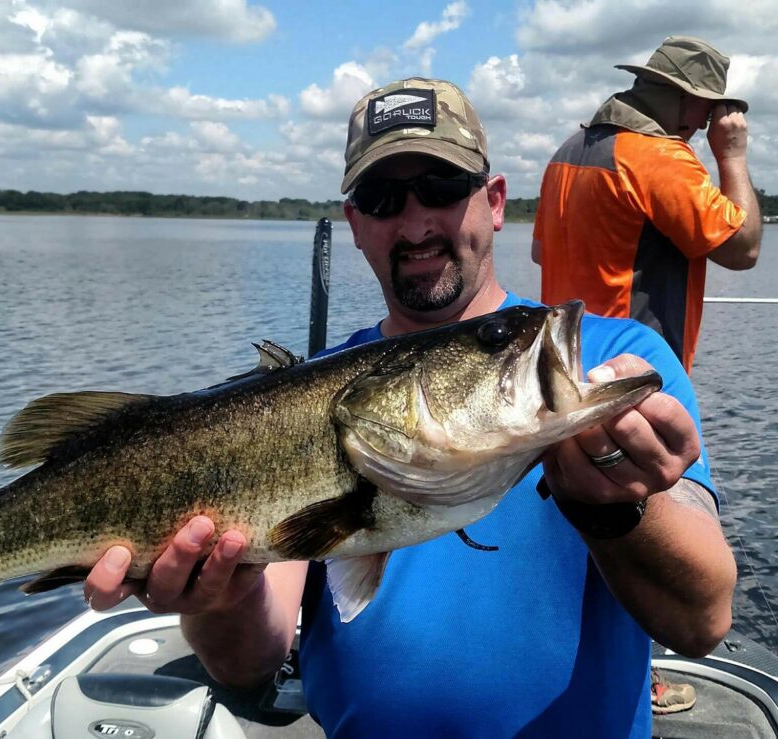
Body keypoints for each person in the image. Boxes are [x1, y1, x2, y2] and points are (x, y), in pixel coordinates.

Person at [83, 77, 737, 737]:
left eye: (445, 187)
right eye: (383, 198)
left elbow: (703, 619)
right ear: (356, 224)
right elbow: (249, 666)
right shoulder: (305, 404)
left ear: (495, 201)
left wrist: (623, 508)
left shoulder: (613, 354)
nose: (417, 222)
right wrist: (221, 599)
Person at [532, 35, 761, 374]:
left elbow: (540, 253)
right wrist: (732, 155)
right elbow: (743, 249)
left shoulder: (568, 151)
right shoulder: (659, 157)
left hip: (565, 368)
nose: (703, 124)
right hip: (631, 371)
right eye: (706, 110)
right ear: (683, 98)